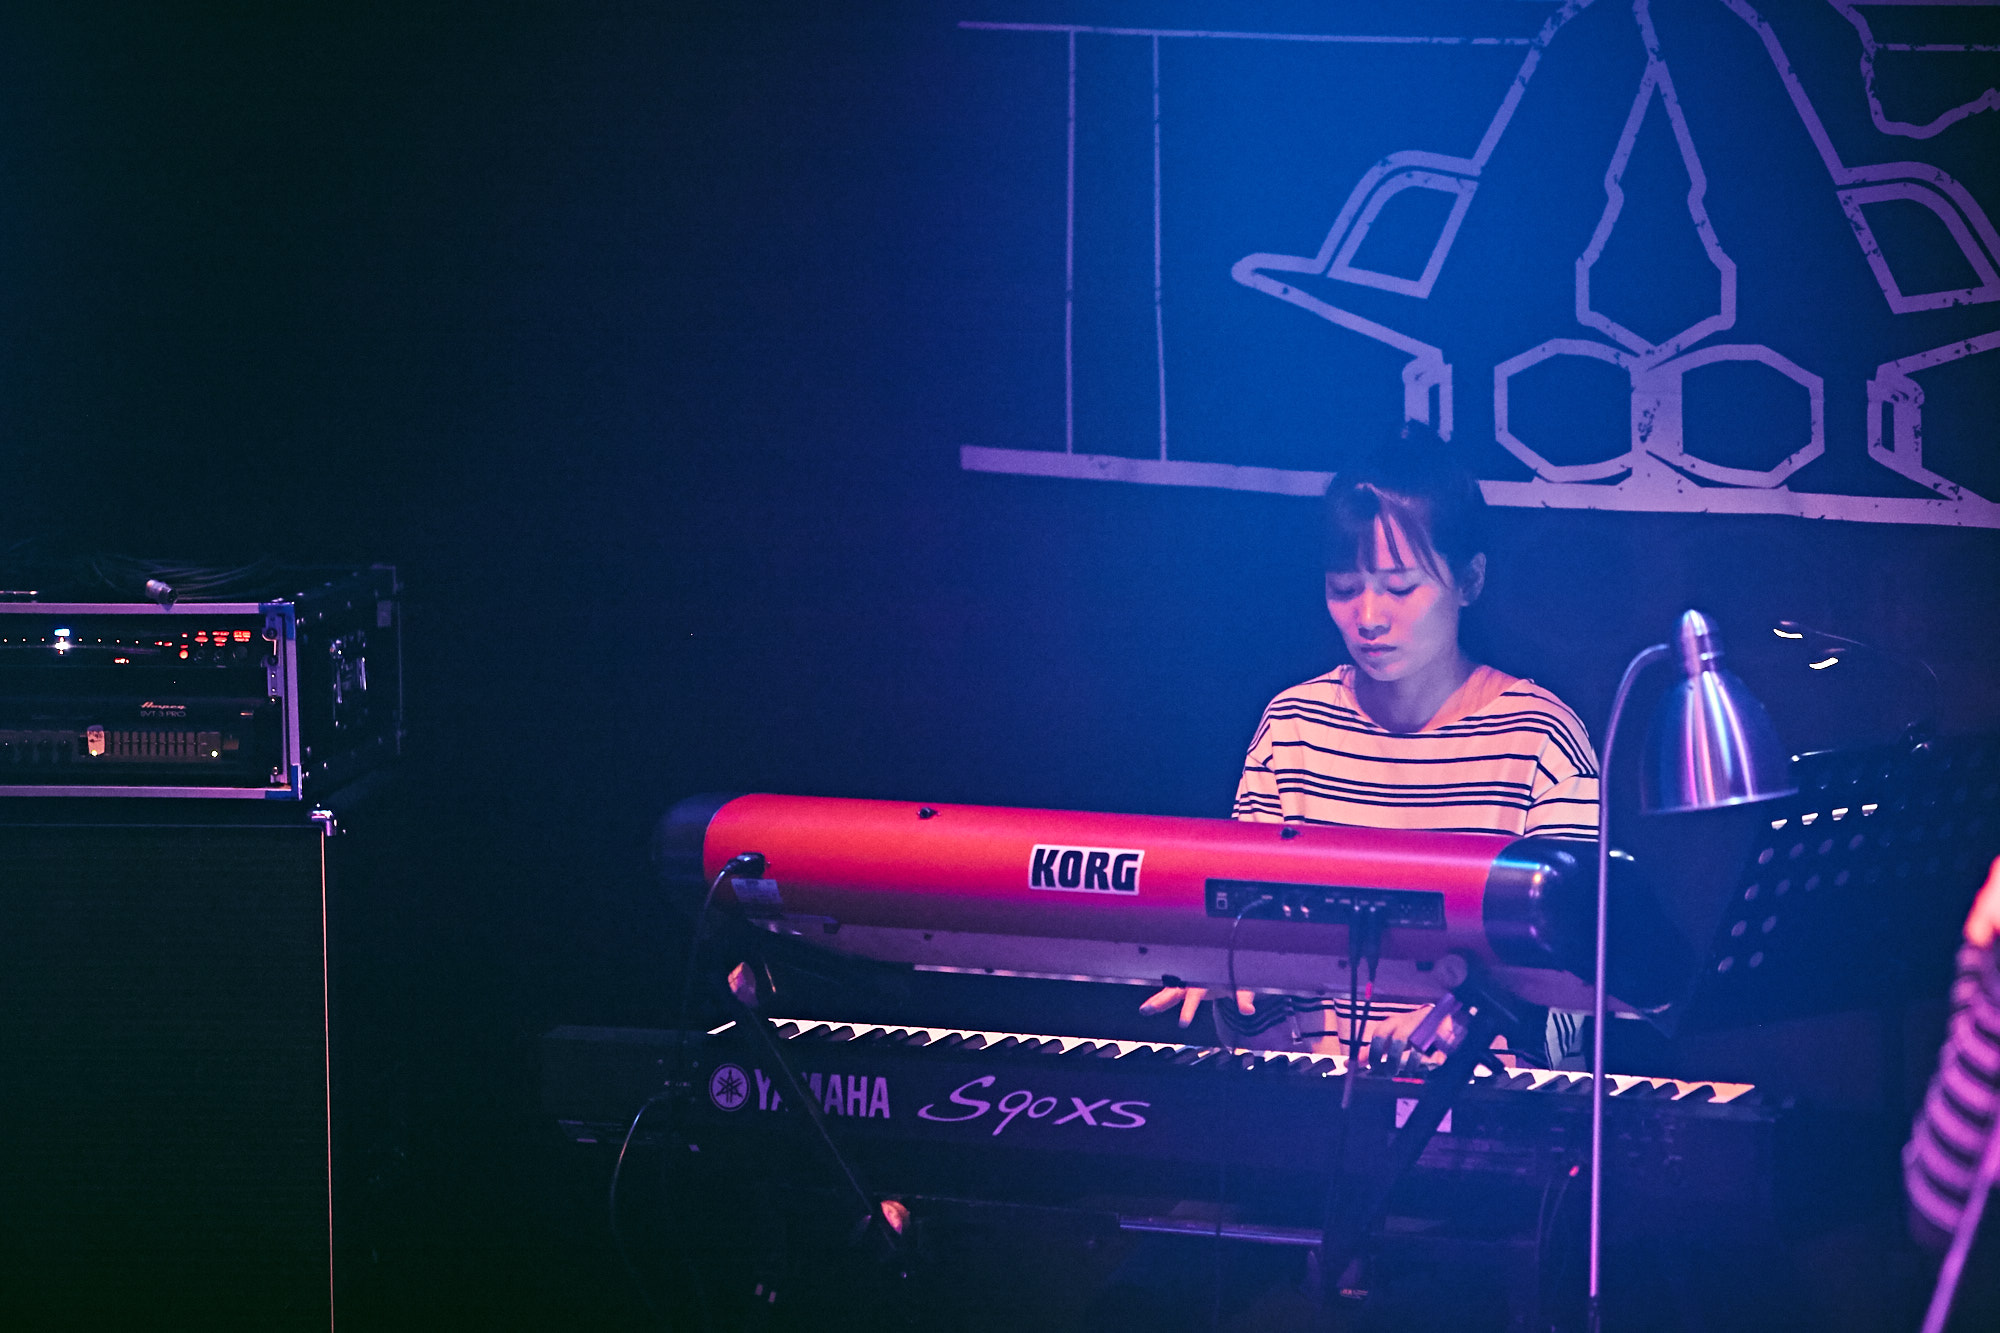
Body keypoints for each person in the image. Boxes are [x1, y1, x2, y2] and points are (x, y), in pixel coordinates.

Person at [1142, 427, 1600, 1064]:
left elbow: (1580, 996)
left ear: (1470, 580)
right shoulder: (1293, 729)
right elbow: (1256, 1016)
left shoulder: (1539, 739)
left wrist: (1464, 1026)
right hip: (1313, 1107)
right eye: (1343, 588)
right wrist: (1239, 987)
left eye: (1401, 588)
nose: (1369, 617)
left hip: (1485, 1109)